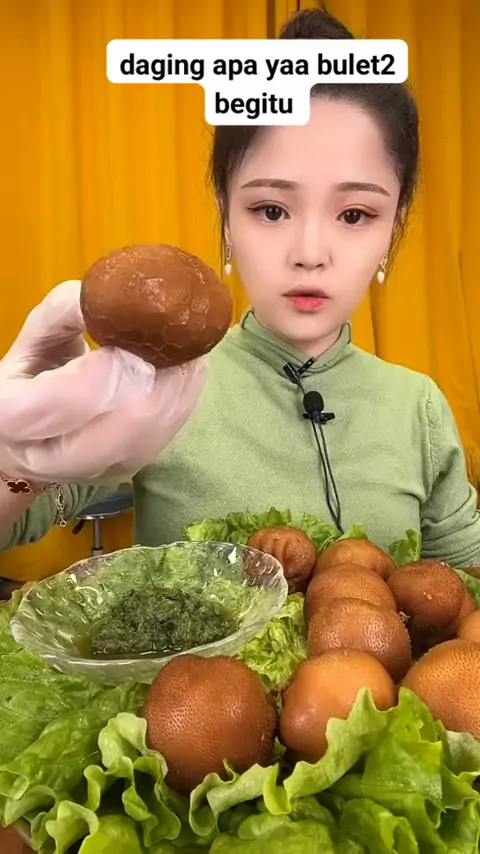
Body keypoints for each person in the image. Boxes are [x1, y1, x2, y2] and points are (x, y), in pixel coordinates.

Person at [1, 6, 480, 576]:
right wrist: (15, 459)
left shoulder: (418, 406)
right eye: (271, 209)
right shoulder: (160, 384)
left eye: (354, 214)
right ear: (227, 218)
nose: (310, 252)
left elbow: (465, 581)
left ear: (392, 229)